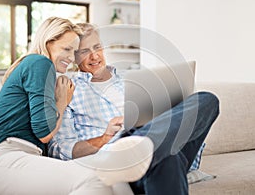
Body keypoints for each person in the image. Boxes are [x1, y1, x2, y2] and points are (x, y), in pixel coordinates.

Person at [0, 17, 154, 195]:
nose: (70, 58)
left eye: (73, 51)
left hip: (21, 158)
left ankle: (120, 159)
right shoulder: (39, 62)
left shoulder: (43, 72)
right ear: (47, 42)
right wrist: (62, 100)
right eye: (66, 49)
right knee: (93, 179)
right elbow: (44, 132)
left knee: (117, 187)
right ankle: (118, 157)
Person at [48, 22, 220, 195]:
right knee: (167, 158)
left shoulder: (133, 78)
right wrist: (106, 137)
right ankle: (138, 148)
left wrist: (165, 114)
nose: (94, 56)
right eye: (85, 52)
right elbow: (61, 151)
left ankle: (142, 143)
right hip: (123, 158)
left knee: (207, 99)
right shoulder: (69, 88)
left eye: (97, 47)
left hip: (163, 142)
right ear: (74, 57)